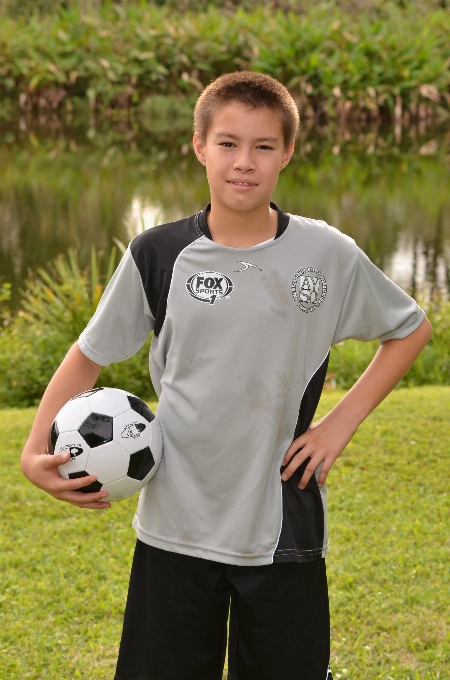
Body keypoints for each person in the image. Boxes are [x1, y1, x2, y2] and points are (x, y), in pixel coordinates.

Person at [21, 72, 432, 680]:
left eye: (264, 146)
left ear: (287, 153)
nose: (245, 163)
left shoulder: (326, 254)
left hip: (283, 524)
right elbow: (88, 353)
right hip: (174, 526)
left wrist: (338, 426)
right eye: (228, 144)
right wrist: (35, 450)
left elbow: (410, 328)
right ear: (198, 146)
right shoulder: (157, 254)